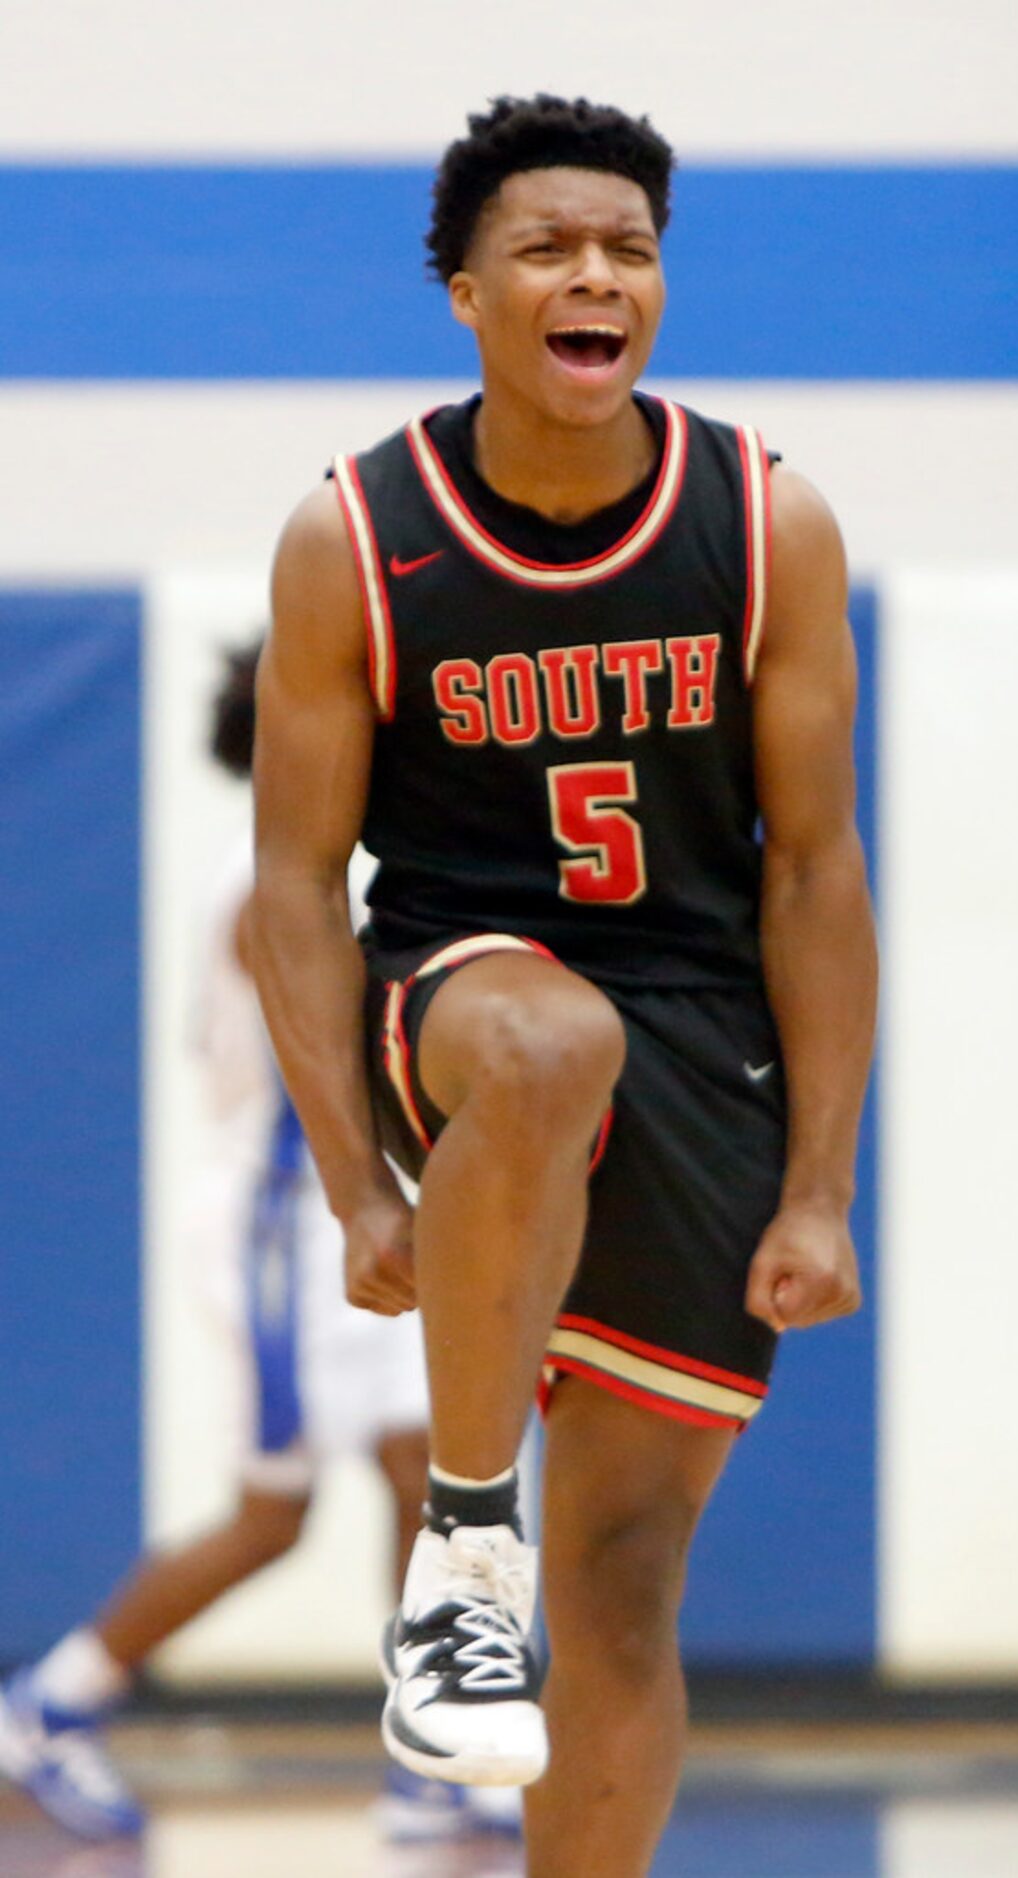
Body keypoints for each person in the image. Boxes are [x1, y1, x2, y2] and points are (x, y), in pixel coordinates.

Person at [250, 93, 878, 1878]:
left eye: (628, 249)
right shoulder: (354, 534)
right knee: (545, 1031)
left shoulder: (764, 520)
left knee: (618, 1588)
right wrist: (353, 1175)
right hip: (456, 995)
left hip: (702, 1040)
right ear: (465, 291)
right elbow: (293, 880)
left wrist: (822, 1182)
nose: (595, 275)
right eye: (547, 247)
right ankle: (459, 1552)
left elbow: (816, 870)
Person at [0, 643, 517, 1848]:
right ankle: (53, 1701)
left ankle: (431, 1753)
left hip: (341, 1211)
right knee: (276, 1512)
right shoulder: (268, 883)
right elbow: (333, 1064)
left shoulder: (318, 866)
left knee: (427, 1470)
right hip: (286, 1221)